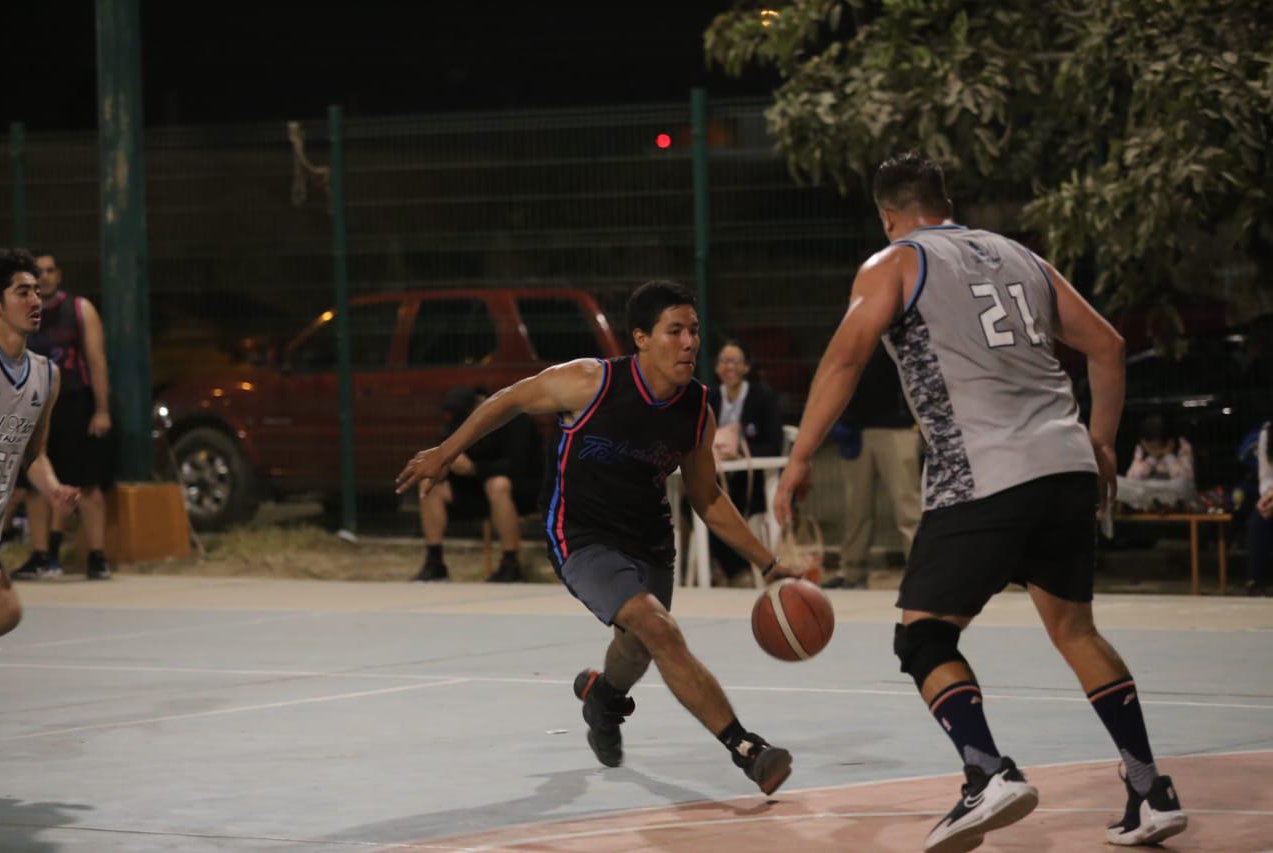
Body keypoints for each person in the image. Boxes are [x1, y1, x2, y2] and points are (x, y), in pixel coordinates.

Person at [773, 153, 1187, 851]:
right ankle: (1150, 787)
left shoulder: (894, 262)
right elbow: (1109, 347)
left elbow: (845, 359)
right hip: (1066, 465)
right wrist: (1104, 443)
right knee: (1075, 629)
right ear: (946, 198)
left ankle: (986, 771)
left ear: (889, 213)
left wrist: (799, 456)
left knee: (923, 634)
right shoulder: (1021, 256)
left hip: (986, 469)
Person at [397, 280, 794, 794]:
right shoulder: (591, 382)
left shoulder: (696, 408)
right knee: (660, 628)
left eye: (694, 331)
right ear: (641, 339)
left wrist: (768, 563)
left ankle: (603, 699)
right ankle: (748, 749)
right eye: (675, 331)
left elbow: (708, 497)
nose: (690, 342)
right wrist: (446, 451)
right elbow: (509, 400)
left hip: (649, 539)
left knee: (638, 647)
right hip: (581, 536)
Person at [12, 251, 114, 581]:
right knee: (33, 482)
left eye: (49, 270)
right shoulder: (20, 313)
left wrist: (101, 409)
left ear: (60, 274)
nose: (44, 277)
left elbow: (96, 361)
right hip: (33, 403)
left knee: (85, 482)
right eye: (37, 273)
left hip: (73, 402)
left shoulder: (80, 310)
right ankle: (41, 555)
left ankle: (97, 556)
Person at [0, 249, 81, 635]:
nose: (35, 300)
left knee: (5, 612)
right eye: (22, 292)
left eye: (37, 292)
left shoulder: (47, 376)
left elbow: (33, 454)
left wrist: (54, 490)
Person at [414, 385, 542, 583]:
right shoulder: (459, 423)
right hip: (476, 491)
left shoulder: (514, 420)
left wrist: (473, 468)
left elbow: (517, 466)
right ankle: (435, 561)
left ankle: (511, 563)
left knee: (497, 485)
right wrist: (444, 466)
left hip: (521, 490)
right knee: (431, 486)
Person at [823, 348, 921, 589]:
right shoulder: (853, 328)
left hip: (898, 429)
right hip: (857, 430)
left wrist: (914, 419)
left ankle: (921, 575)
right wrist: (841, 421)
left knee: (908, 509)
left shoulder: (901, 326)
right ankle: (852, 573)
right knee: (856, 508)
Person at [705, 341, 783, 586]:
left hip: (754, 482)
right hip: (717, 477)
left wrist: (739, 450)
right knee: (694, 507)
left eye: (735, 361)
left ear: (746, 367)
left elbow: (774, 445)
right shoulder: (709, 398)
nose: (729, 367)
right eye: (724, 362)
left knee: (731, 506)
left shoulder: (764, 398)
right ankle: (733, 571)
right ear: (717, 368)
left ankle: (740, 571)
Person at [1116, 413, 1196, 512]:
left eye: (1155, 447)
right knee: (1118, 482)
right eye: (1149, 447)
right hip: (1146, 493)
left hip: (1172, 493)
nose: (1152, 450)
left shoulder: (1183, 446)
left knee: (1182, 484)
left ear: (1169, 442)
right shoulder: (1141, 449)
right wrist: (1152, 458)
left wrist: (1167, 456)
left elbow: (1184, 478)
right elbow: (1132, 478)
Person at [1246, 419, 1272, 596]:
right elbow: (1266, 476)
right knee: (1257, 521)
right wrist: (1267, 497)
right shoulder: (1267, 433)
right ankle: (1256, 581)